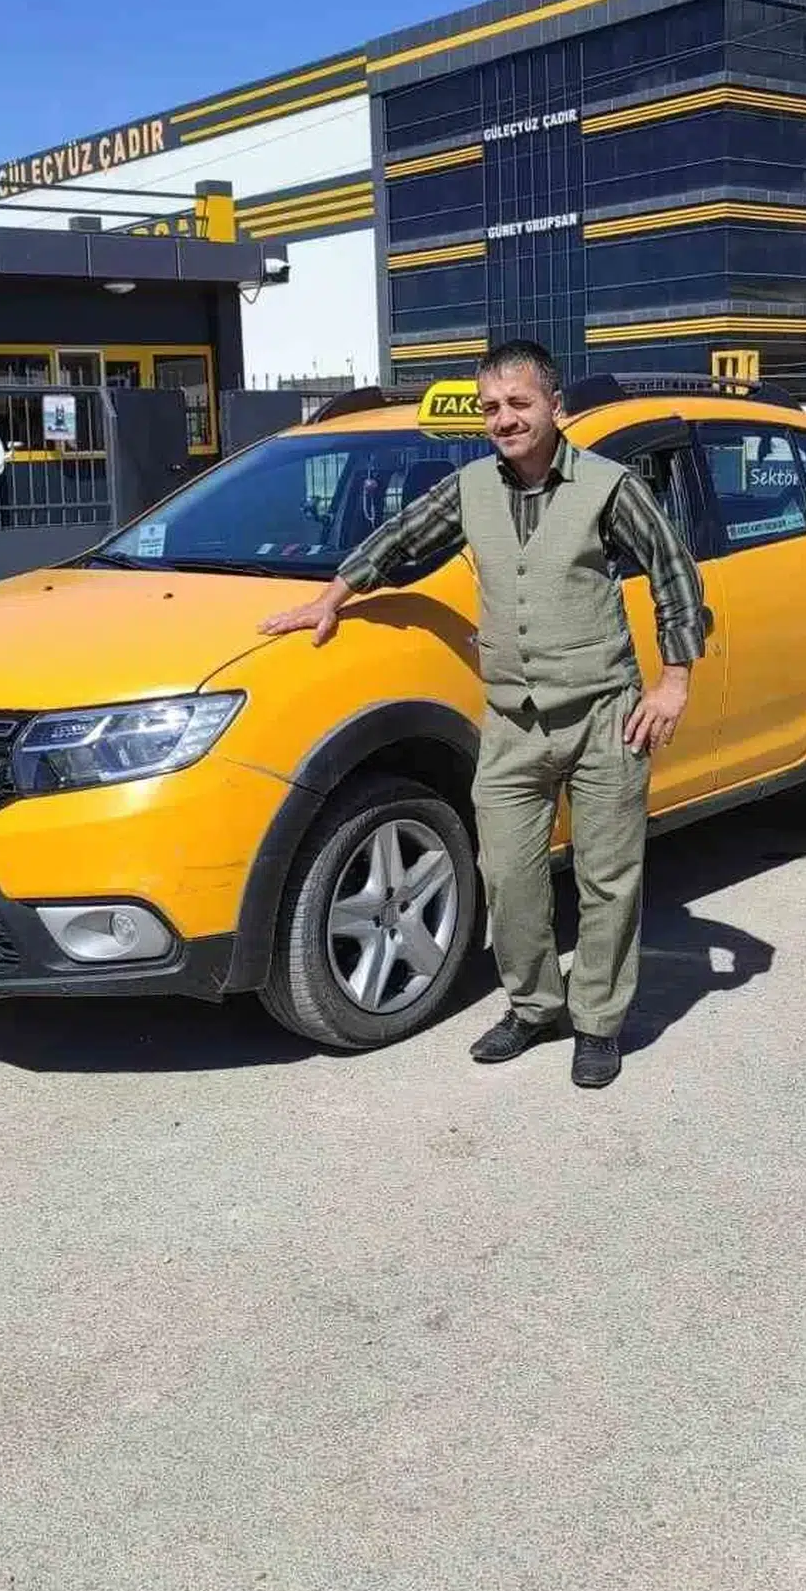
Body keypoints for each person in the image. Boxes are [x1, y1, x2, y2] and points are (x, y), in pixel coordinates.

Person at [260, 340, 707, 1089]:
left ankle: (598, 1023)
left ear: (554, 406)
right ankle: (534, 1006)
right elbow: (401, 538)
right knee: (506, 875)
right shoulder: (470, 488)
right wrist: (332, 596)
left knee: (608, 880)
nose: (505, 419)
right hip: (512, 722)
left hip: (604, 715)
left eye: (519, 403)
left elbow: (675, 573)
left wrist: (673, 684)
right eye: (491, 407)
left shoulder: (609, 487)